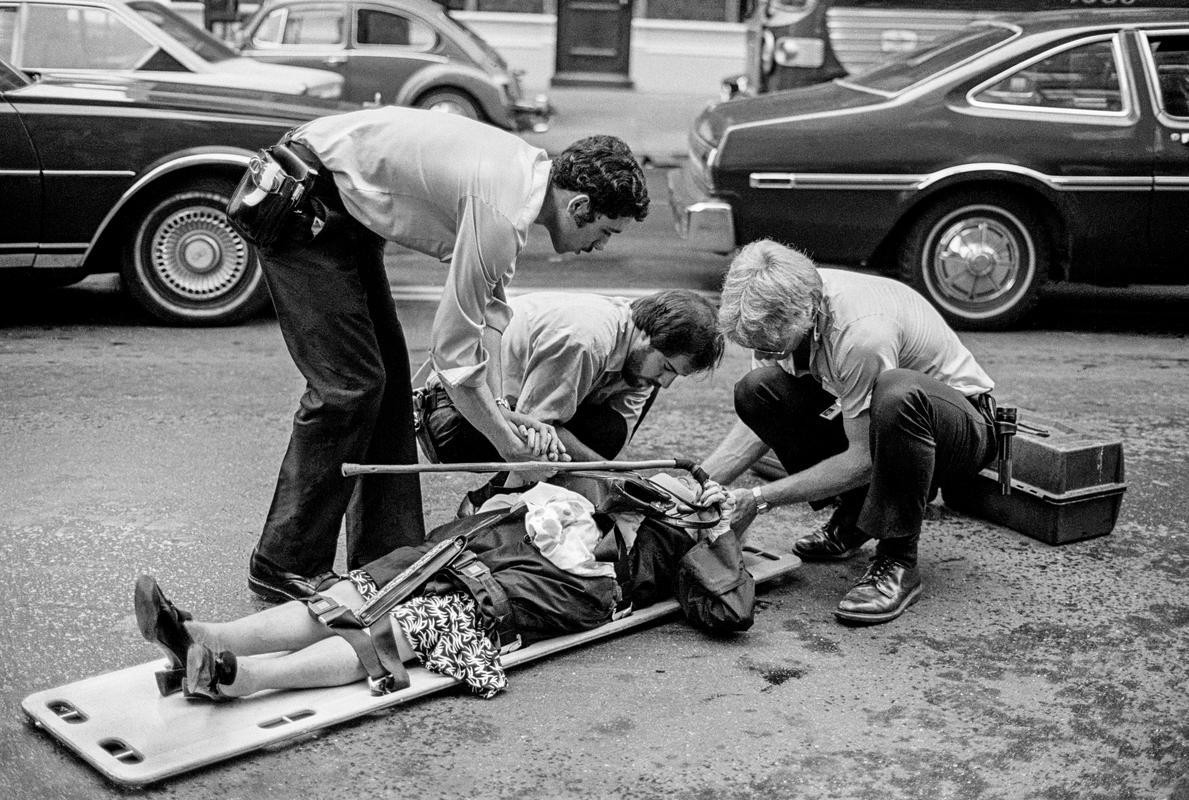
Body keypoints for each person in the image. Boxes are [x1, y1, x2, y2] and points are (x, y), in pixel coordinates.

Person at [245, 105, 649, 603]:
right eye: (606, 232)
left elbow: (490, 315)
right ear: (581, 207)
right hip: (304, 204)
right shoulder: (502, 209)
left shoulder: (522, 181)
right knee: (349, 388)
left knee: (388, 388)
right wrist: (508, 445)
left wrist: (503, 410)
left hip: (338, 210)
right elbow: (454, 359)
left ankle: (385, 560)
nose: (603, 246)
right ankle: (283, 563)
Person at [135, 477, 741, 701]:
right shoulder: (627, 489)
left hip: (567, 589)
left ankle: (237, 675)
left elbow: (729, 606)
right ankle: (201, 636)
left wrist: (725, 523)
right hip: (507, 544)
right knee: (362, 591)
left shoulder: (697, 543)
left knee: (397, 625)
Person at [699, 239, 997, 625]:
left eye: (772, 345)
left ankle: (898, 560)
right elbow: (758, 429)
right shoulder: (775, 307)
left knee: (897, 395)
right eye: (757, 345)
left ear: (805, 313)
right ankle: (857, 515)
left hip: (958, 433)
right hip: (881, 427)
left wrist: (758, 499)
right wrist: (697, 484)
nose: (767, 353)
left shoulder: (860, 334)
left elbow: (863, 459)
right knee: (757, 390)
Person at [417, 290, 724, 507]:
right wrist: (617, 477)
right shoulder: (584, 340)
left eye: (676, 375)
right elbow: (537, 428)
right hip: (454, 416)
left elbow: (607, 449)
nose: (667, 382)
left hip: (516, 411)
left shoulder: (638, 356)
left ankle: (536, 495)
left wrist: (619, 478)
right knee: (555, 446)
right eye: (668, 368)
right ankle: (493, 501)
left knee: (608, 433)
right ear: (648, 337)